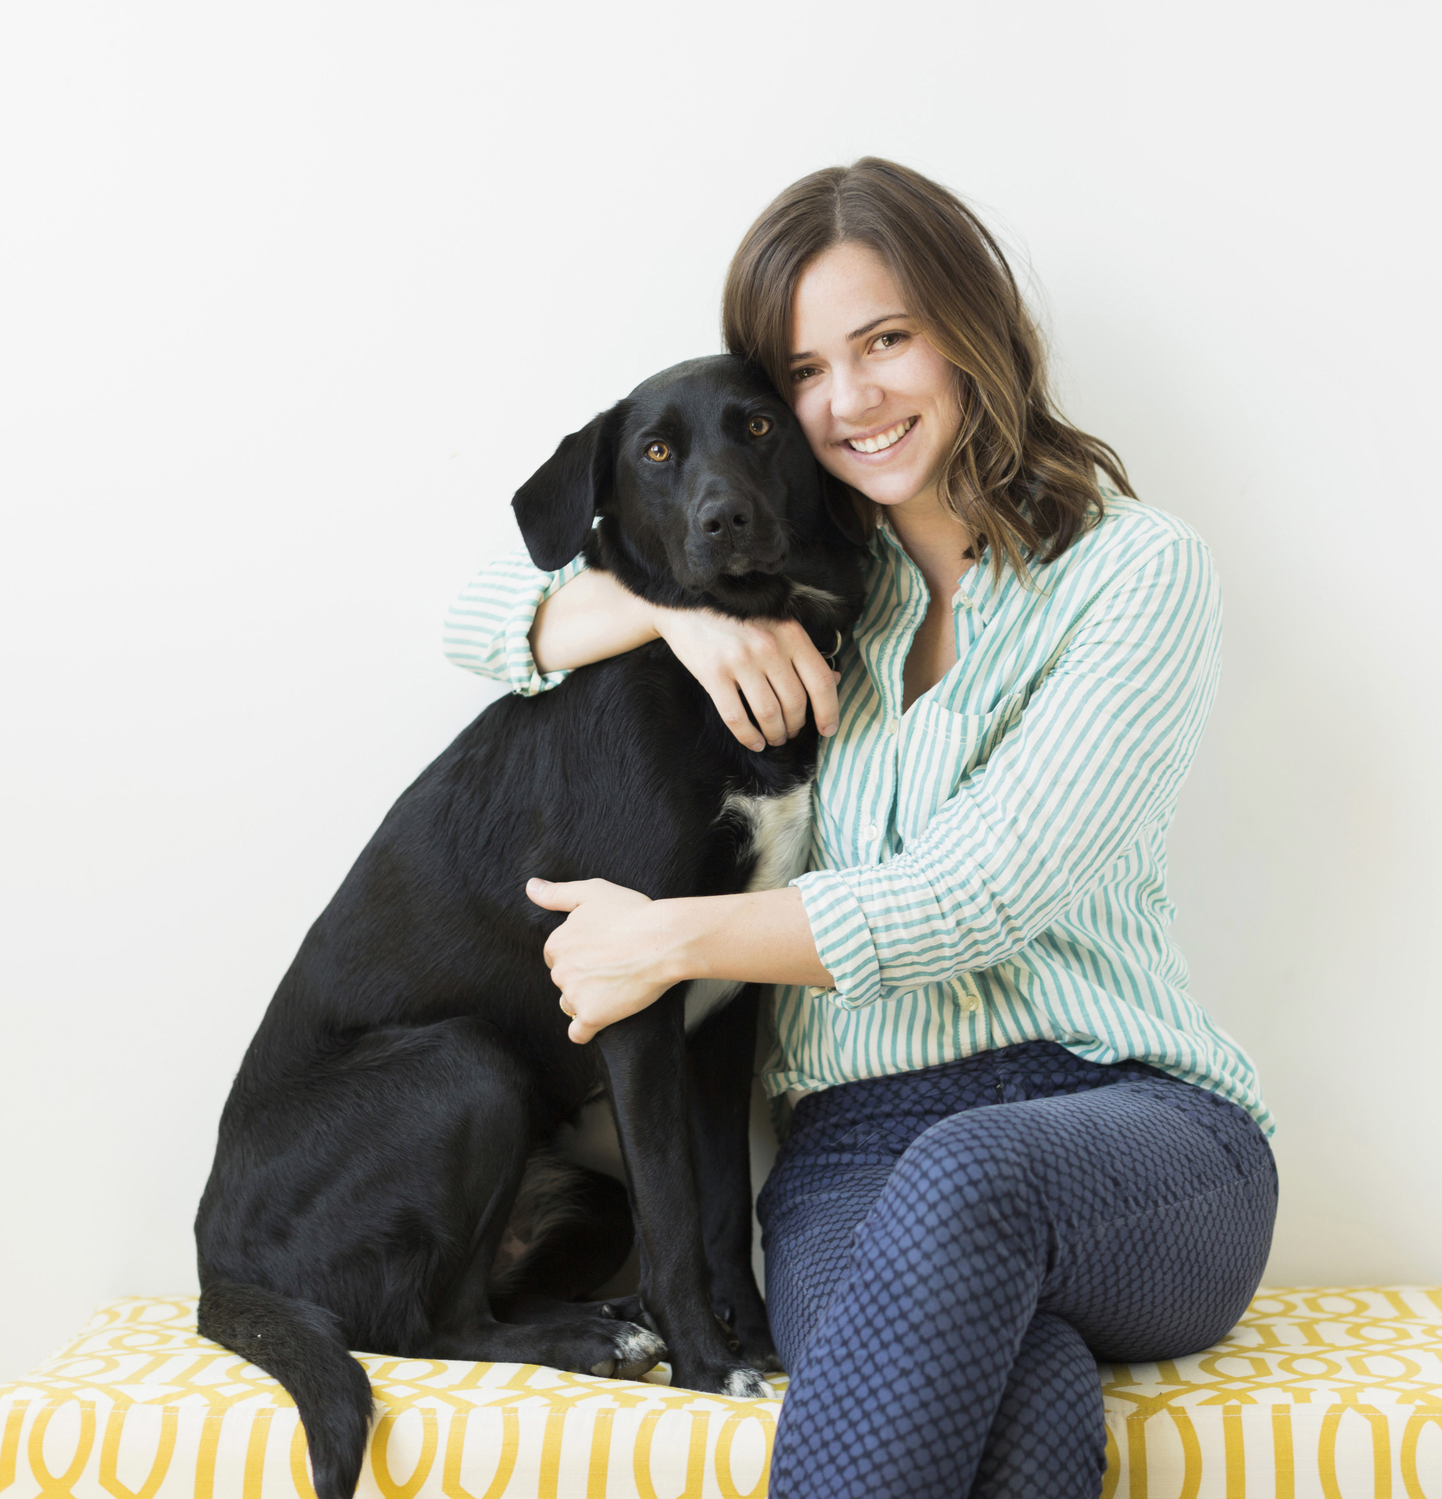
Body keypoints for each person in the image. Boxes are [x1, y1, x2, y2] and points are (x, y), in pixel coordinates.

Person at [442, 157, 1276, 1499]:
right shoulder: (822, 586)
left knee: (969, 1181)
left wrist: (665, 940)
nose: (853, 399)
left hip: (1130, 1139)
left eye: (886, 339)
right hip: (851, 1160)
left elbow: (978, 895)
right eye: (809, 369)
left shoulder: (1136, 572)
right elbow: (481, 609)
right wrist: (675, 610)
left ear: (973, 327)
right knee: (1018, 1407)